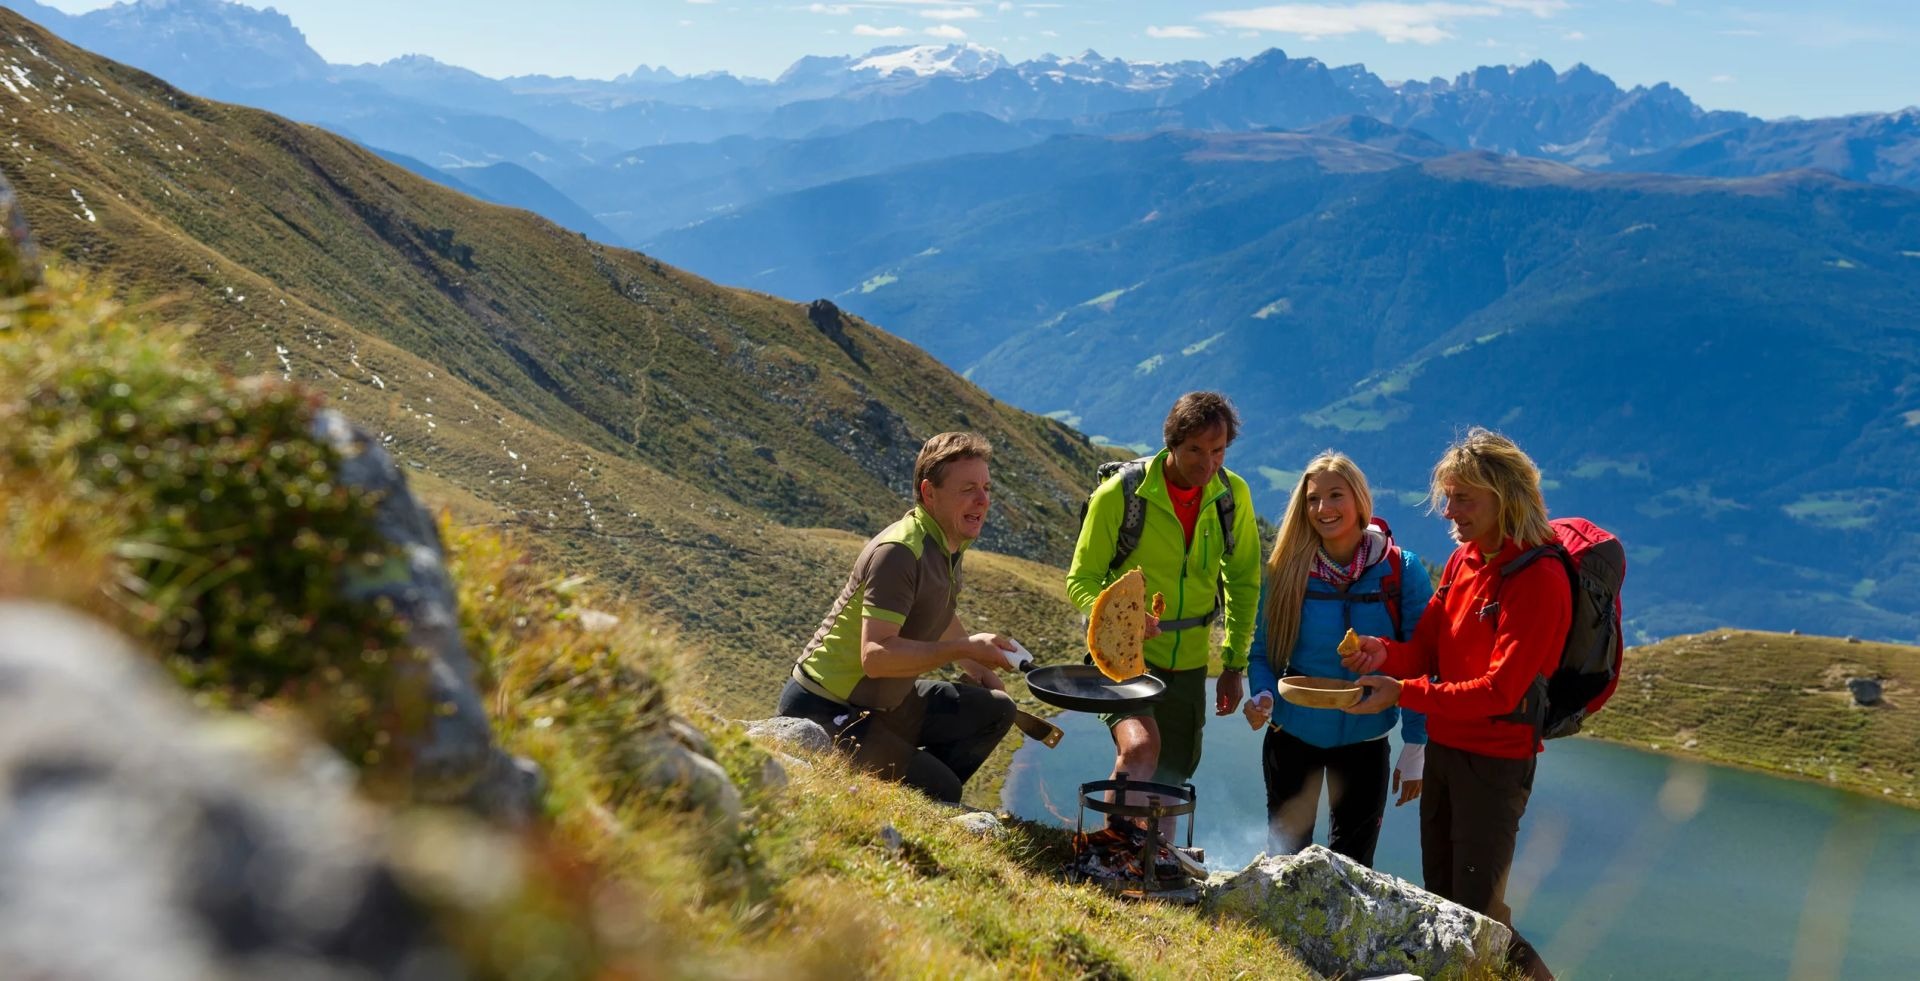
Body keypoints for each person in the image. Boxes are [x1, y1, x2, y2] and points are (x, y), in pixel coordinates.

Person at [1341, 428, 1569, 981]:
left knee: (1480, 915)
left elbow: (1499, 692)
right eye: (1448, 497)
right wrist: (1383, 654)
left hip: (1495, 764)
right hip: (1446, 749)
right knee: (1444, 902)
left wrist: (1405, 692)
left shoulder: (1538, 577)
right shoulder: (1466, 559)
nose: (1449, 512)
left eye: (1463, 498)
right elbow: (1425, 649)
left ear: (1504, 497)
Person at [776, 431, 1019, 804]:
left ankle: (912, 787)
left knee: (996, 709)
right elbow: (876, 657)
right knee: (941, 790)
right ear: (929, 493)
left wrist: (976, 666)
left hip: (886, 702)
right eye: (968, 489)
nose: (983, 501)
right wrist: (963, 649)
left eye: (986, 488)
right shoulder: (900, 552)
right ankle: (918, 797)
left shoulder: (947, 540)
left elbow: (937, 610)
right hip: (826, 709)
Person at [1066, 392, 1262, 819]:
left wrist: (1234, 664)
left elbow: (1244, 581)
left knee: (1171, 779)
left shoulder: (1232, 496)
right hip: (1123, 657)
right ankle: (1115, 846)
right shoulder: (1121, 494)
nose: (1207, 464)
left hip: (1191, 664)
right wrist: (1124, 620)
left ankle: (1153, 856)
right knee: (1140, 749)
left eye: (1218, 451)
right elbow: (1080, 579)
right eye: (1194, 450)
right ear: (1171, 443)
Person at [1243, 451, 1432, 868]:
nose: (1322, 508)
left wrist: (1416, 744)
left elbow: (1422, 660)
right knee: (1286, 860)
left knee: (1354, 864)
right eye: (1312, 499)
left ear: (1359, 499)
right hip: (1292, 732)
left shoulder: (1401, 570)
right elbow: (1263, 654)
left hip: (1366, 740)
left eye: (1335, 495)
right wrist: (1262, 695)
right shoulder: (1285, 569)